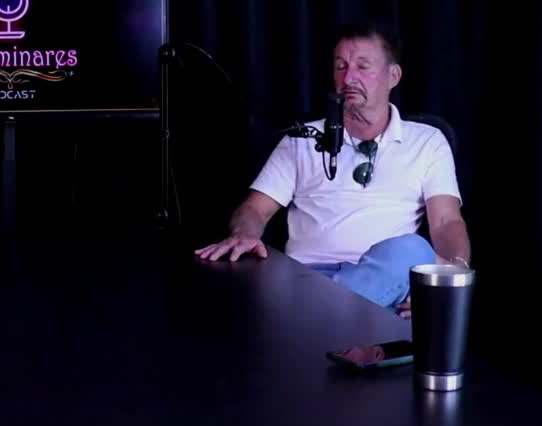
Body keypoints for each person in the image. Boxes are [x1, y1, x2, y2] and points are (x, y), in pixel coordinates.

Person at [195, 21, 471, 315]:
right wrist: (245, 232)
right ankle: (342, 317)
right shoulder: (303, 139)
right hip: (308, 278)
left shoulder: (427, 141)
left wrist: (448, 281)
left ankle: (324, 318)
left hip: (388, 280)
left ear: (393, 76)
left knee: (412, 250)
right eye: (341, 66)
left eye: (362, 66)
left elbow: (446, 222)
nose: (349, 77)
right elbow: (254, 209)